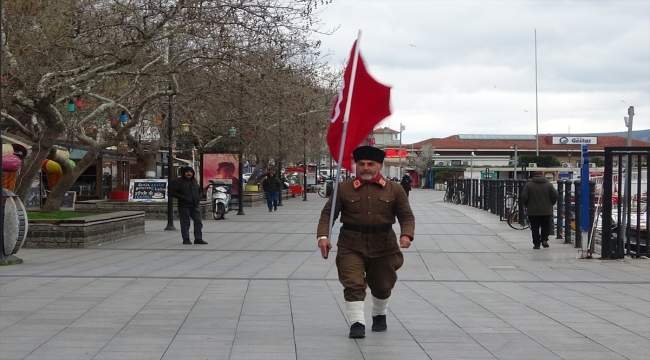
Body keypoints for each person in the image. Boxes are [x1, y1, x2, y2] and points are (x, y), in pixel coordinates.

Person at [316, 146, 415, 339]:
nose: (366, 168)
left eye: (370, 164)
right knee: (353, 283)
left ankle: (379, 314)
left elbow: (406, 215)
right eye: (361, 164)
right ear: (356, 165)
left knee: (383, 285)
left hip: (383, 245)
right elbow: (328, 214)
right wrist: (323, 236)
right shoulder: (343, 188)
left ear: (379, 165)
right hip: (350, 244)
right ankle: (356, 323)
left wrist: (406, 235)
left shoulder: (395, 189)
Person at [169, 166, 207, 245]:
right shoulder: (178, 182)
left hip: (195, 205)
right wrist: (183, 198)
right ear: (184, 173)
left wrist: (199, 197)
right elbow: (172, 192)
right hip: (184, 205)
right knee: (185, 223)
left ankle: (198, 238)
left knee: (198, 222)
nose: (189, 173)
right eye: (187, 172)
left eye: (190, 172)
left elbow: (199, 191)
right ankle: (186, 239)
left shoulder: (194, 181)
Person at [520, 171, 558, 249]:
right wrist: (551, 203)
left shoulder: (528, 185)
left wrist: (527, 204)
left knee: (534, 227)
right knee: (546, 226)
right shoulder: (549, 185)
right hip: (546, 210)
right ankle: (544, 240)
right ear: (542, 175)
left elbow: (524, 196)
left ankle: (536, 244)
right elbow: (555, 195)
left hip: (532, 210)